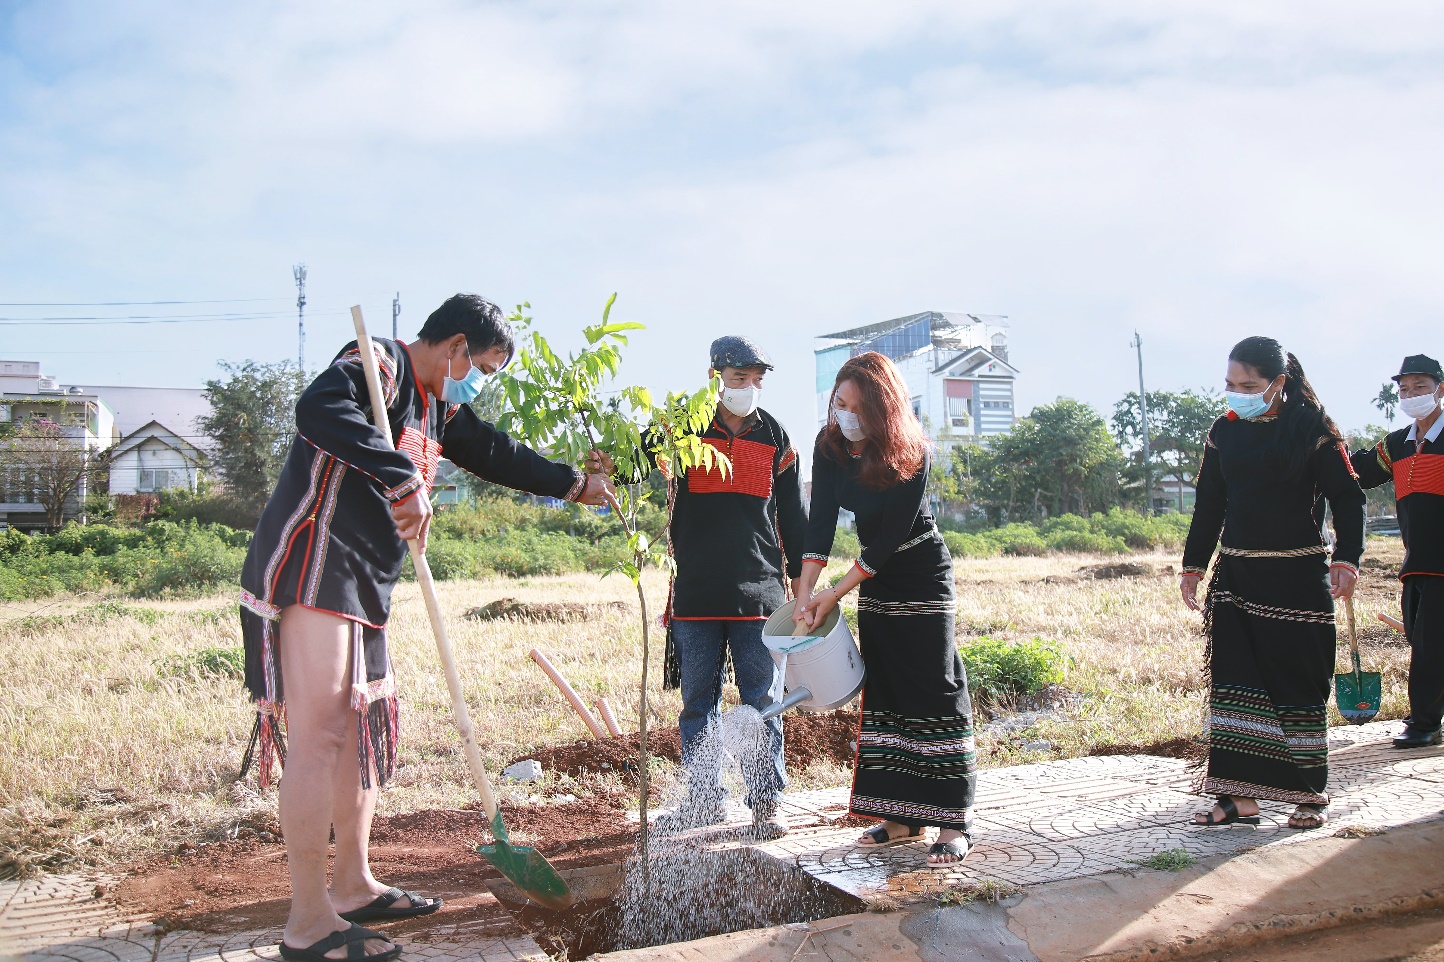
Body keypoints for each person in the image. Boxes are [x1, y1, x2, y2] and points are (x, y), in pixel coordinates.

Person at [237, 295, 614, 962]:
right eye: (483, 367)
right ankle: (307, 923)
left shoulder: (438, 406)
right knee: (320, 734)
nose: (478, 381)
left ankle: (353, 886)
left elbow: (496, 452)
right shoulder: (377, 365)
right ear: (456, 346)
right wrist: (399, 474)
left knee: (358, 731)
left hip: (366, 584)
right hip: (315, 564)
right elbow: (317, 411)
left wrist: (572, 485)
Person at [795, 351, 976, 867]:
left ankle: (952, 819)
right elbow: (820, 524)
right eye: (837, 402)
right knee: (889, 687)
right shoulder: (830, 446)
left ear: (879, 408)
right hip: (873, 580)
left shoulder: (910, 448)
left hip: (919, 573)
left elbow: (892, 538)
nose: (842, 414)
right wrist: (806, 593)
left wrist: (836, 593)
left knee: (932, 685)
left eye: (853, 405)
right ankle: (900, 818)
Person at [1180, 336, 1364, 831]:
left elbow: (1349, 499)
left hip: (1299, 578)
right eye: (1230, 384)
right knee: (1237, 685)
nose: (1236, 393)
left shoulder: (1313, 430)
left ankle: (1309, 796)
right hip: (1237, 578)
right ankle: (1240, 800)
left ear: (1279, 383)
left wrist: (1347, 559)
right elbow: (1209, 505)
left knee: (1298, 684)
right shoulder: (1224, 432)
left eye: (1249, 385)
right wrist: (1193, 565)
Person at [650, 335, 807, 840]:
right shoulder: (683, 430)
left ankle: (767, 805)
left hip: (760, 592)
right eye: (741, 378)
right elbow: (634, 462)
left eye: (757, 379)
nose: (749, 387)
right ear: (715, 375)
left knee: (762, 701)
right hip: (694, 593)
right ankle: (702, 803)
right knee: (699, 703)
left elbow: (795, 519)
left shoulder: (776, 438)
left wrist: (803, 587)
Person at [1351, 354, 1444, 748]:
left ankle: (1423, 723)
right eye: (1404, 389)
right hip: (1416, 563)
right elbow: (1357, 472)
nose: (1410, 395)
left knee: (1429, 646)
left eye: (1419, 387)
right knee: (1421, 642)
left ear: (1440, 389)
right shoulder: (1396, 445)